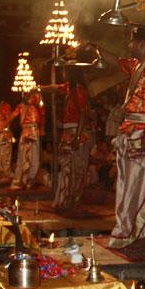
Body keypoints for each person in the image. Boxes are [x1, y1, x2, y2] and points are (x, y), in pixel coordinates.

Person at [92, 26, 145, 249]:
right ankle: (128, 231)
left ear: (143, 44)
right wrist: (95, 48)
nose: (130, 45)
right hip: (129, 130)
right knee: (128, 185)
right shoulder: (137, 66)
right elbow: (116, 60)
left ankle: (143, 234)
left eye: (133, 41)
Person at [47, 69, 91, 209]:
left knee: (78, 170)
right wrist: (37, 87)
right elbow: (55, 87)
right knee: (66, 169)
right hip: (67, 133)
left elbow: (83, 113)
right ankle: (64, 199)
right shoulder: (69, 88)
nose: (64, 73)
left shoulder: (79, 91)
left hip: (76, 133)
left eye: (66, 71)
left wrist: (77, 137)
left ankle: (72, 199)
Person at [7, 90, 45, 189]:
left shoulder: (36, 102)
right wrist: (3, 126)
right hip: (25, 132)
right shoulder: (21, 106)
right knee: (23, 156)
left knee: (34, 157)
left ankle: (30, 179)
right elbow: (12, 116)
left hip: (34, 131)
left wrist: (42, 129)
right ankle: (23, 180)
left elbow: (42, 112)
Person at [0, 99, 14, 182]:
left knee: (4, 156)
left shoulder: (4, 106)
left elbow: (8, 120)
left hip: (3, 136)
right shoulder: (1, 108)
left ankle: (3, 175)